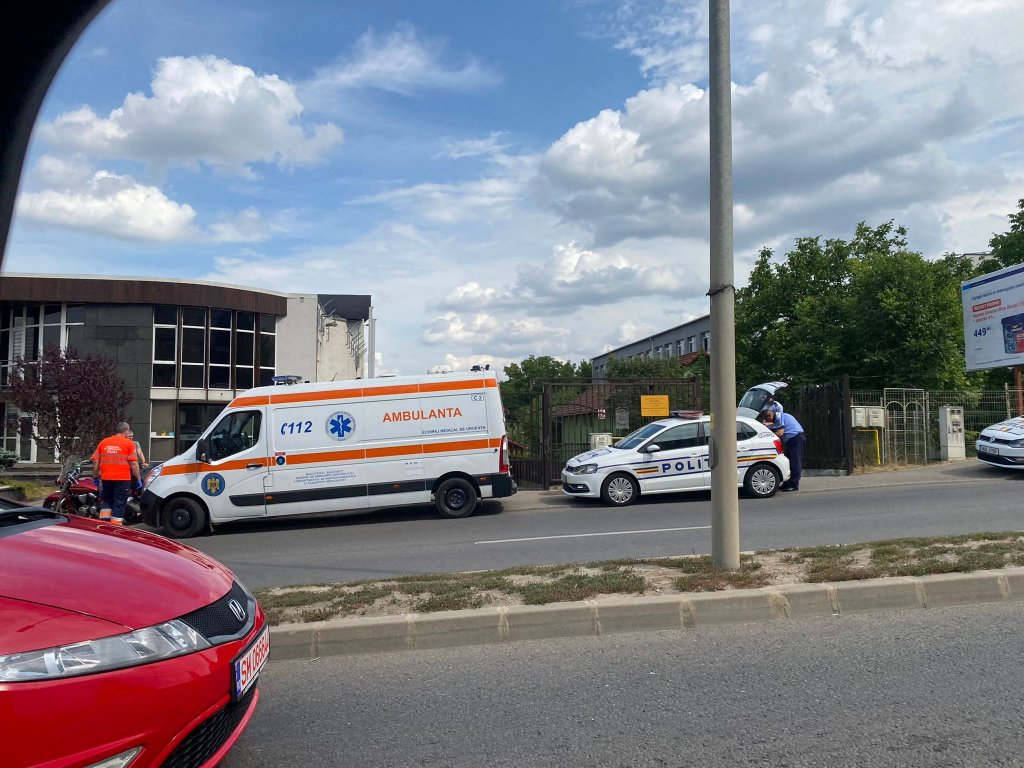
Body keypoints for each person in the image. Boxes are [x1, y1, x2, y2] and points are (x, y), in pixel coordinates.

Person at [91, 421, 141, 525]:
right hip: (122, 479)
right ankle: (115, 527)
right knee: (119, 503)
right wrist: (138, 479)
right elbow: (134, 464)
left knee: (107, 502)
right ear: (126, 431)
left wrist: (95, 476)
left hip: (106, 478)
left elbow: (96, 461)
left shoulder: (104, 442)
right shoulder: (129, 443)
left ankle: (104, 525)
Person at [759, 408, 806, 491]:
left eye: (767, 419)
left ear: (770, 415)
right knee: (790, 462)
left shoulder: (779, 417)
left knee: (795, 462)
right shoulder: (780, 416)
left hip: (796, 438)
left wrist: (767, 434)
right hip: (792, 439)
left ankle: (794, 484)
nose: (767, 421)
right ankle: (788, 483)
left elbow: (780, 433)